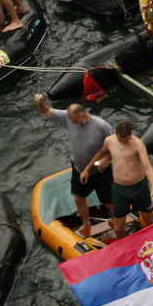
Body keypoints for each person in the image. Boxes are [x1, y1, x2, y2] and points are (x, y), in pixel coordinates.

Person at [34, 95, 113, 237]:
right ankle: (86, 222)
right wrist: (40, 102)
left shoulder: (101, 126)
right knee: (79, 198)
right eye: (70, 120)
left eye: (74, 120)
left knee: (108, 201)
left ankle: (118, 219)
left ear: (83, 115)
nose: (72, 123)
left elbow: (117, 145)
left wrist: (106, 159)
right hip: (79, 168)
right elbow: (46, 110)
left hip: (99, 169)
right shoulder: (68, 117)